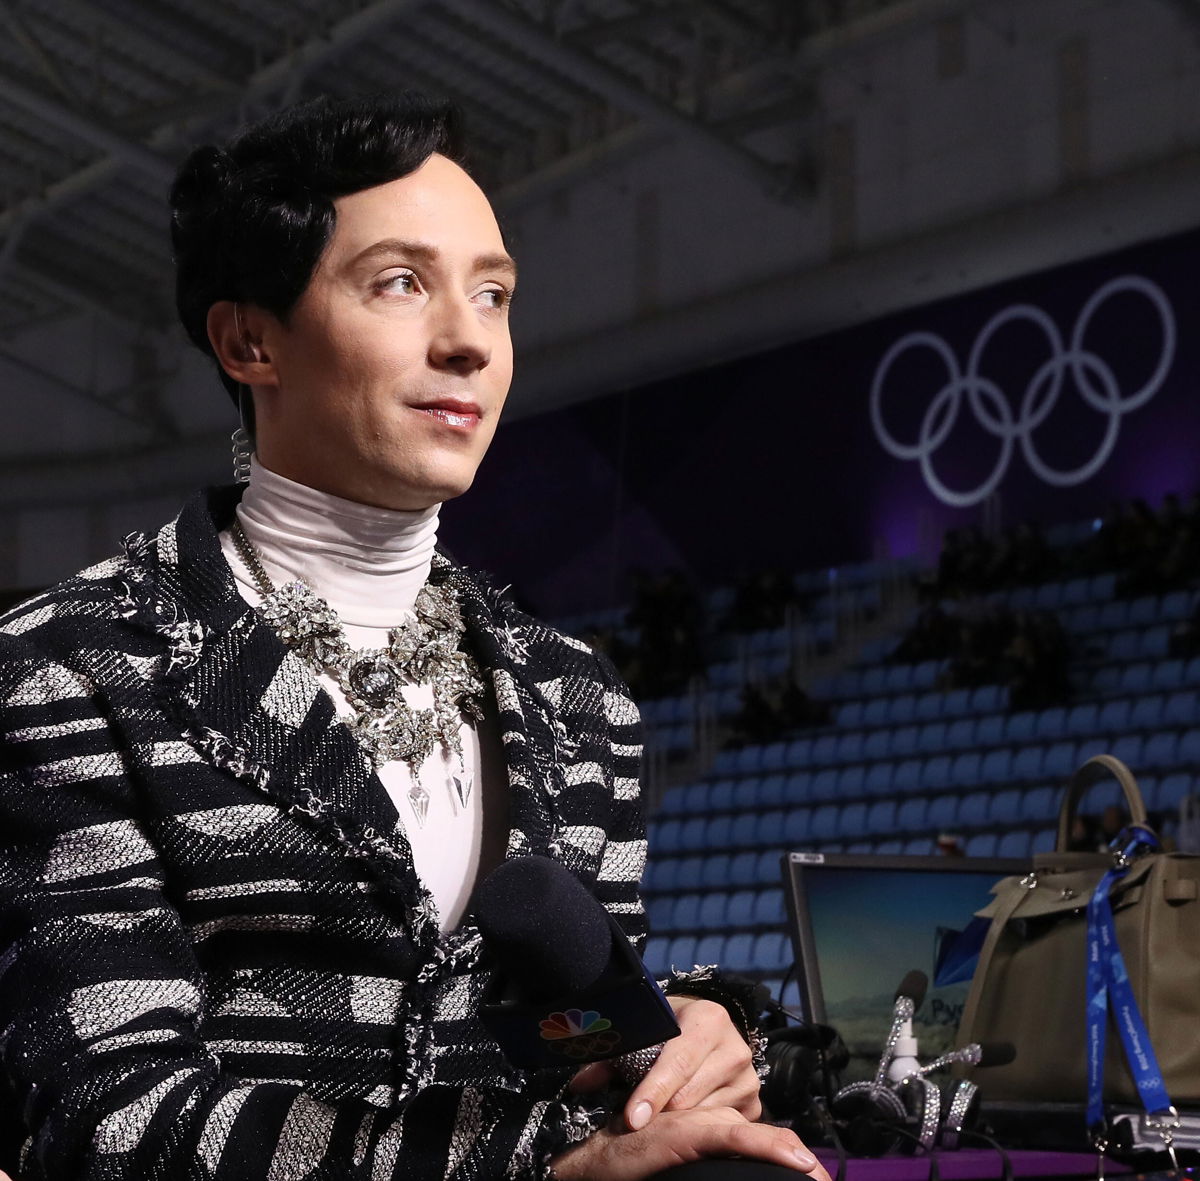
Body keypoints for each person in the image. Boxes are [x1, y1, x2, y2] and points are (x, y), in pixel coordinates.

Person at [0, 94, 827, 1181]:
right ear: (250, 339)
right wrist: (526, 1172)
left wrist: (681, 1034)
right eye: (400, 282)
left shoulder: (581, 703)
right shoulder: (70, 667)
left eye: (494, 293)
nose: (470, 339)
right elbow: (109, 1118)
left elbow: (566, 1045)